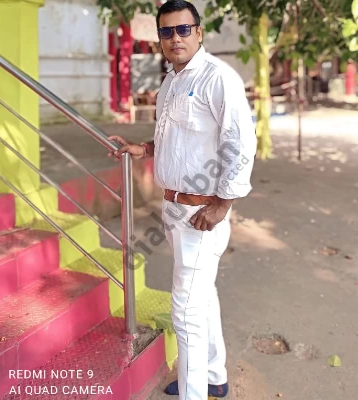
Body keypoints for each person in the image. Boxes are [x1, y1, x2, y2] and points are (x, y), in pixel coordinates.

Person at [108, 1, 257, 399]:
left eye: (183, 29)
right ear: (160, 38)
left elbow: (241, 144)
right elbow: (178, 138)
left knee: (186, 310)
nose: (175, 38)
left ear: (199, 32)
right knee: (201, 298)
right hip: (175, 208)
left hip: (201, 213)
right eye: (167, 31)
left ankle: (195, 392)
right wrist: (145, 148)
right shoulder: (171, 82)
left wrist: (222, 205)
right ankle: (214, 376)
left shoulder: (217, 78)